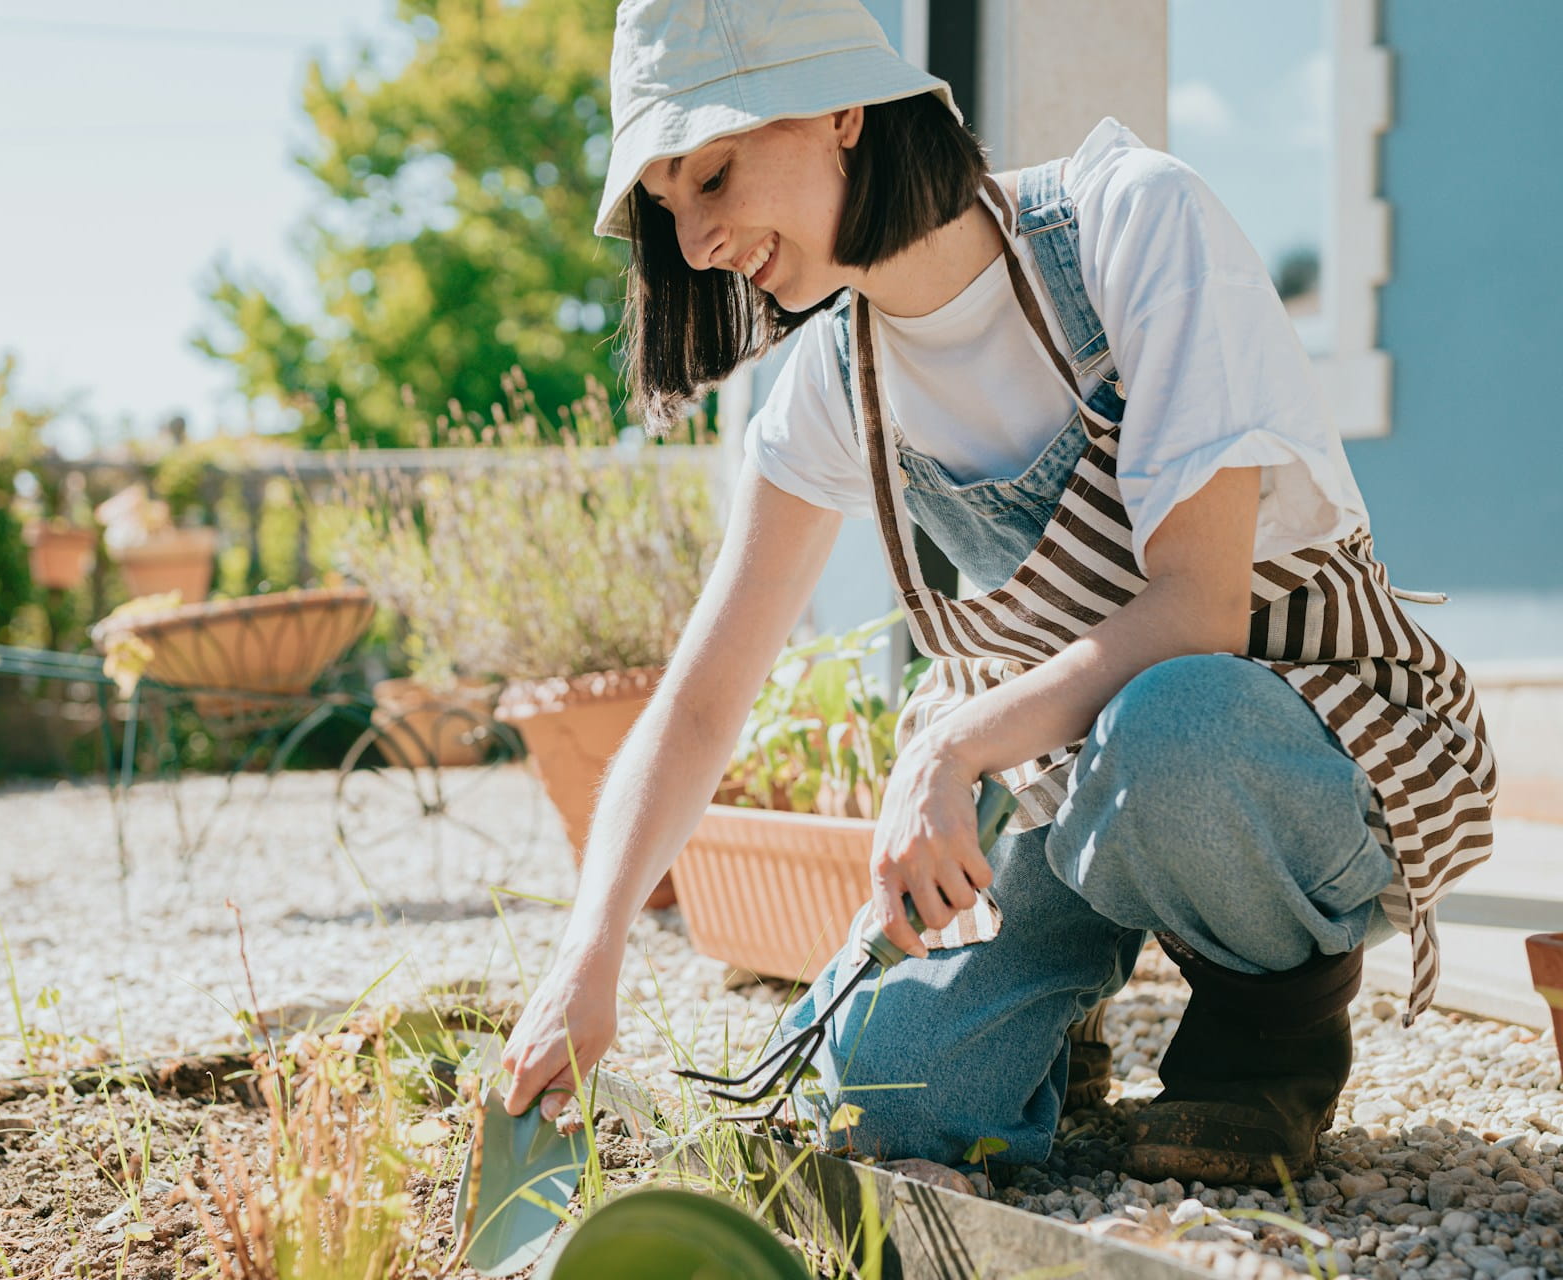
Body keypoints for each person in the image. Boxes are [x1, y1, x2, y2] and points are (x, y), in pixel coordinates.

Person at [499, 0, 1495, 1186]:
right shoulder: (831, 382)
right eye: (672, 209)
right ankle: (1049, 1021)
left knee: (1170, 721)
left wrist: (950, 746)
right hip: (1074, 782)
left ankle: (1272, 1025)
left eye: (713, 174)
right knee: (878, 1097)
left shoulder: (1133, 223)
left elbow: (1197, 611)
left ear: (842, 111)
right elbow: (704, 698)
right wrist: (588, 947)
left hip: (1295, 749)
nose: (701, 239)